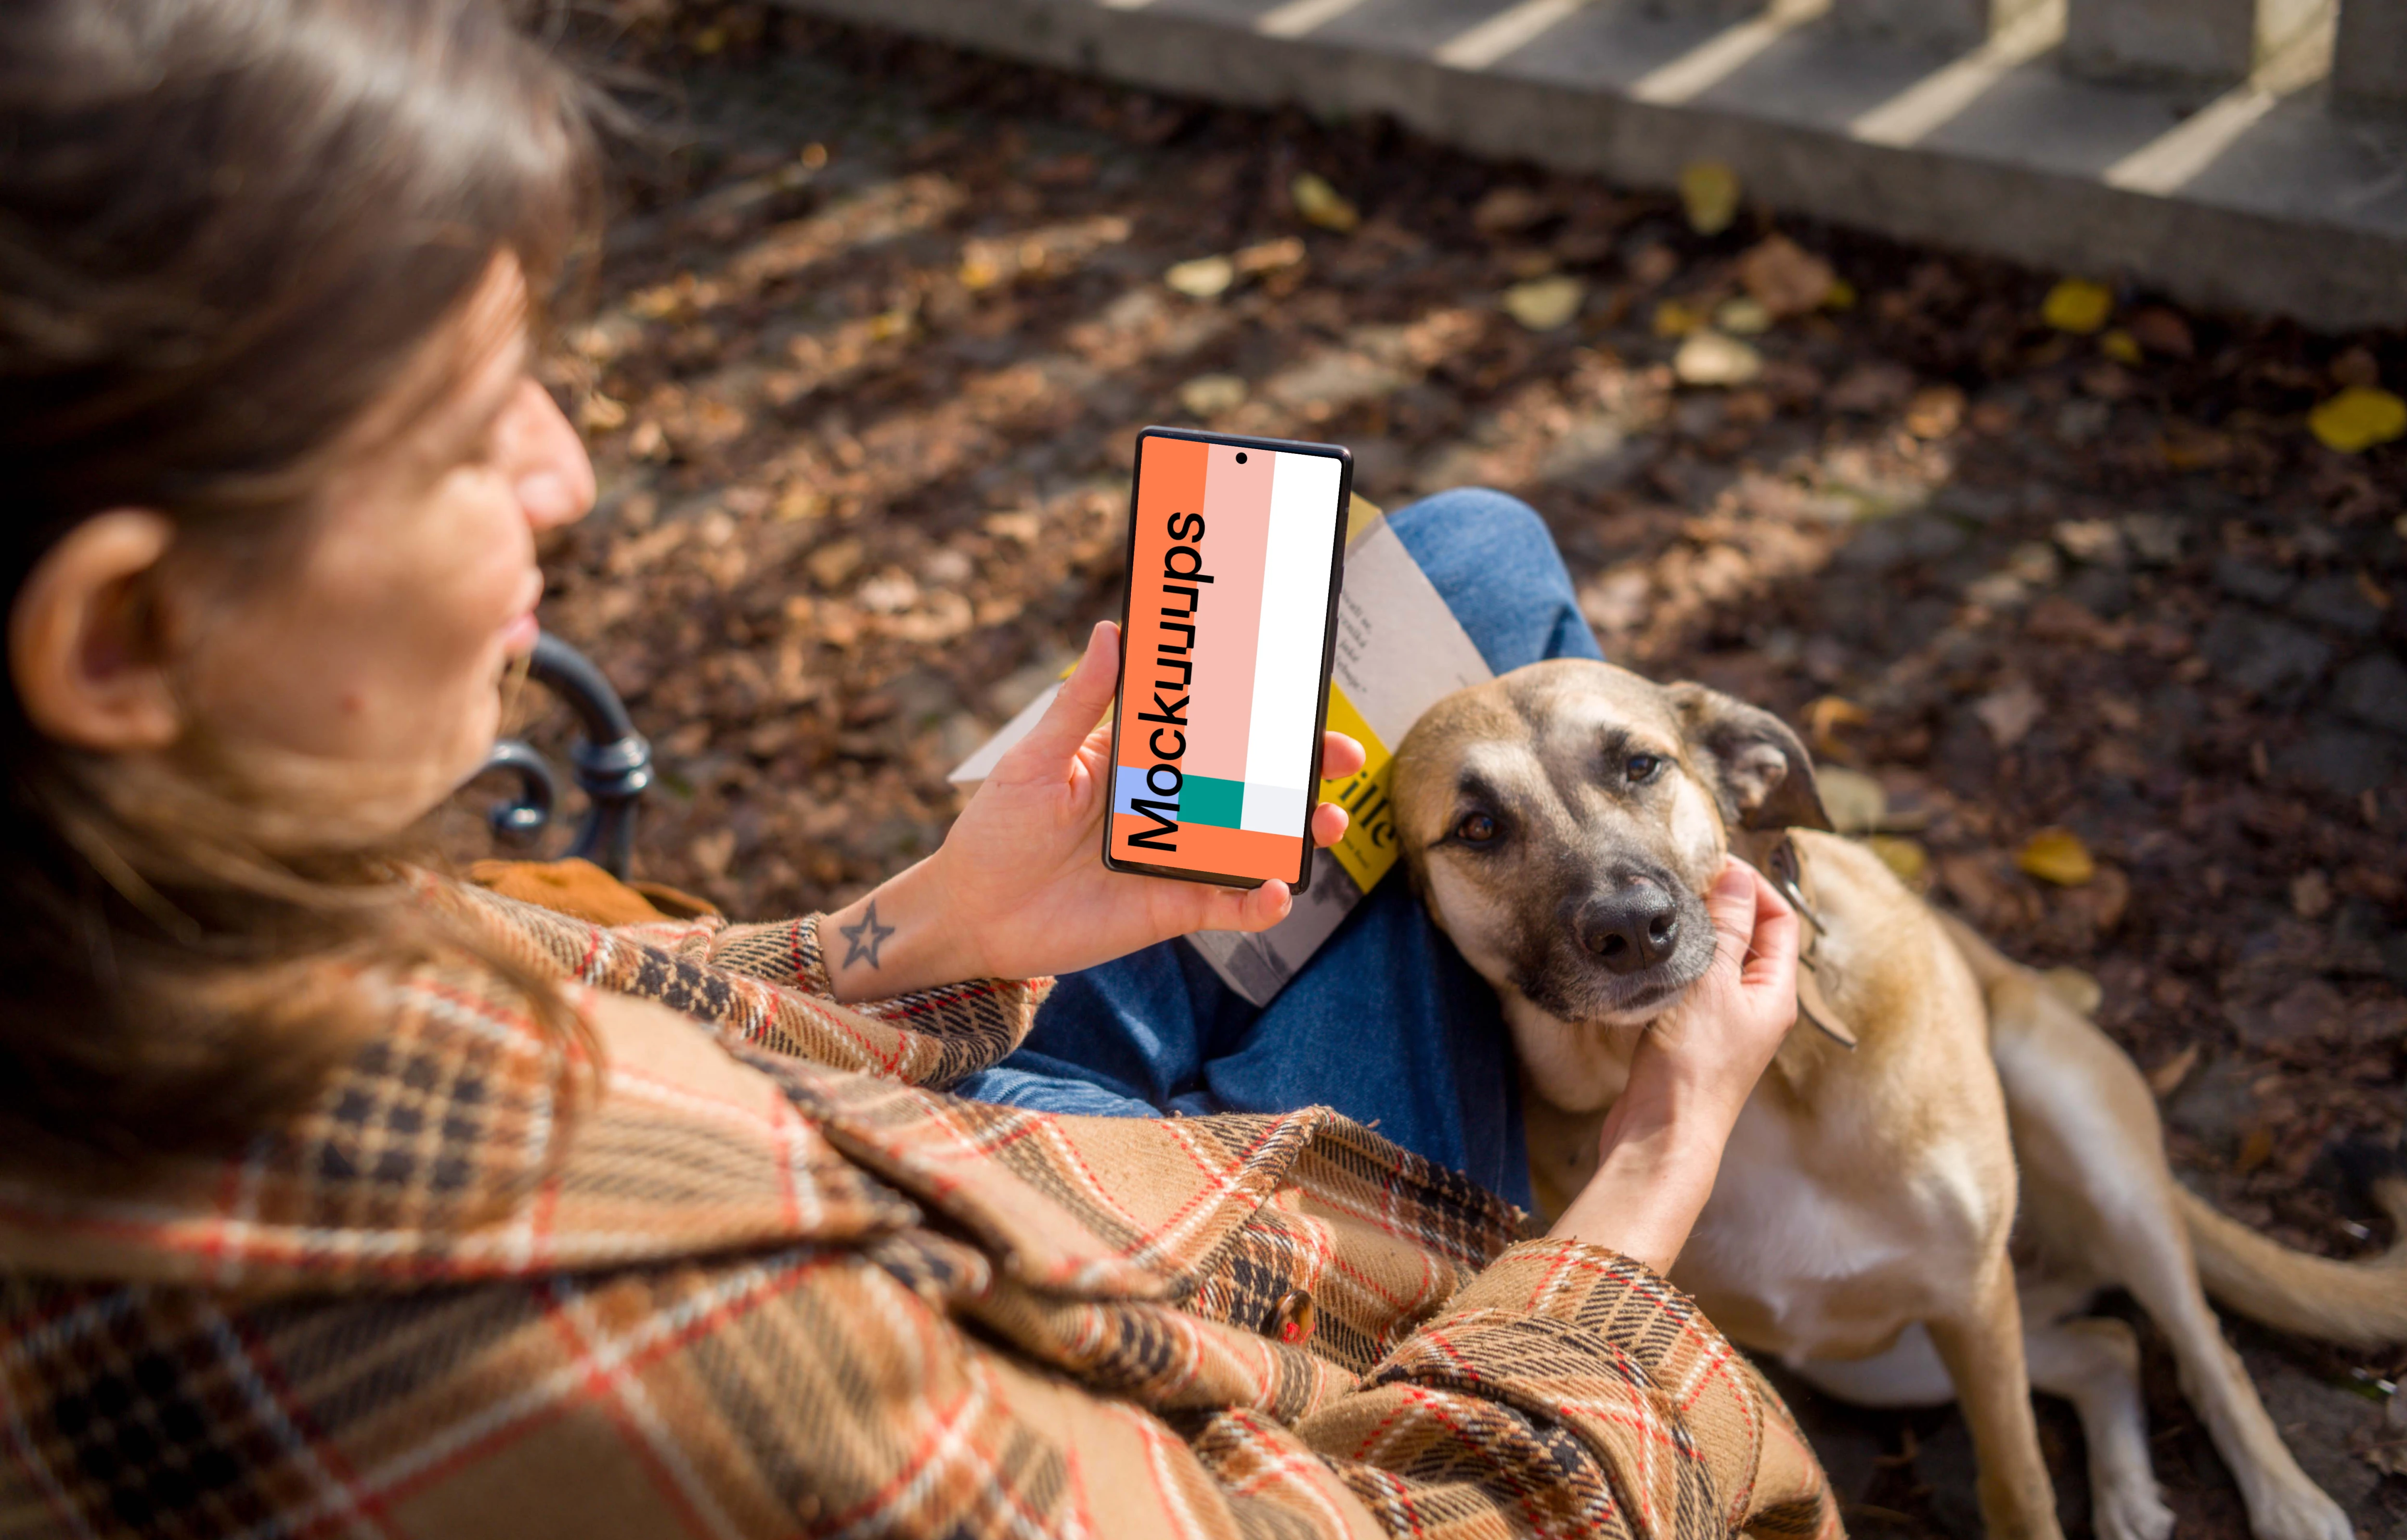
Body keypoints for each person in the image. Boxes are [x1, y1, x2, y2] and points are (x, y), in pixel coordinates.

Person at [0, 2, 1836, 1536]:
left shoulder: (147, 930)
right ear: (127, 637)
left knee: (1465, 559)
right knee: (1491, 636)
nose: (569, 475)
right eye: (474, 432)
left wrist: (932, 917)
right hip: (1260, 1285)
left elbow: (597, 974)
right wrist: (1655, 1169)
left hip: (968, 1117)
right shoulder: (615, 1317)